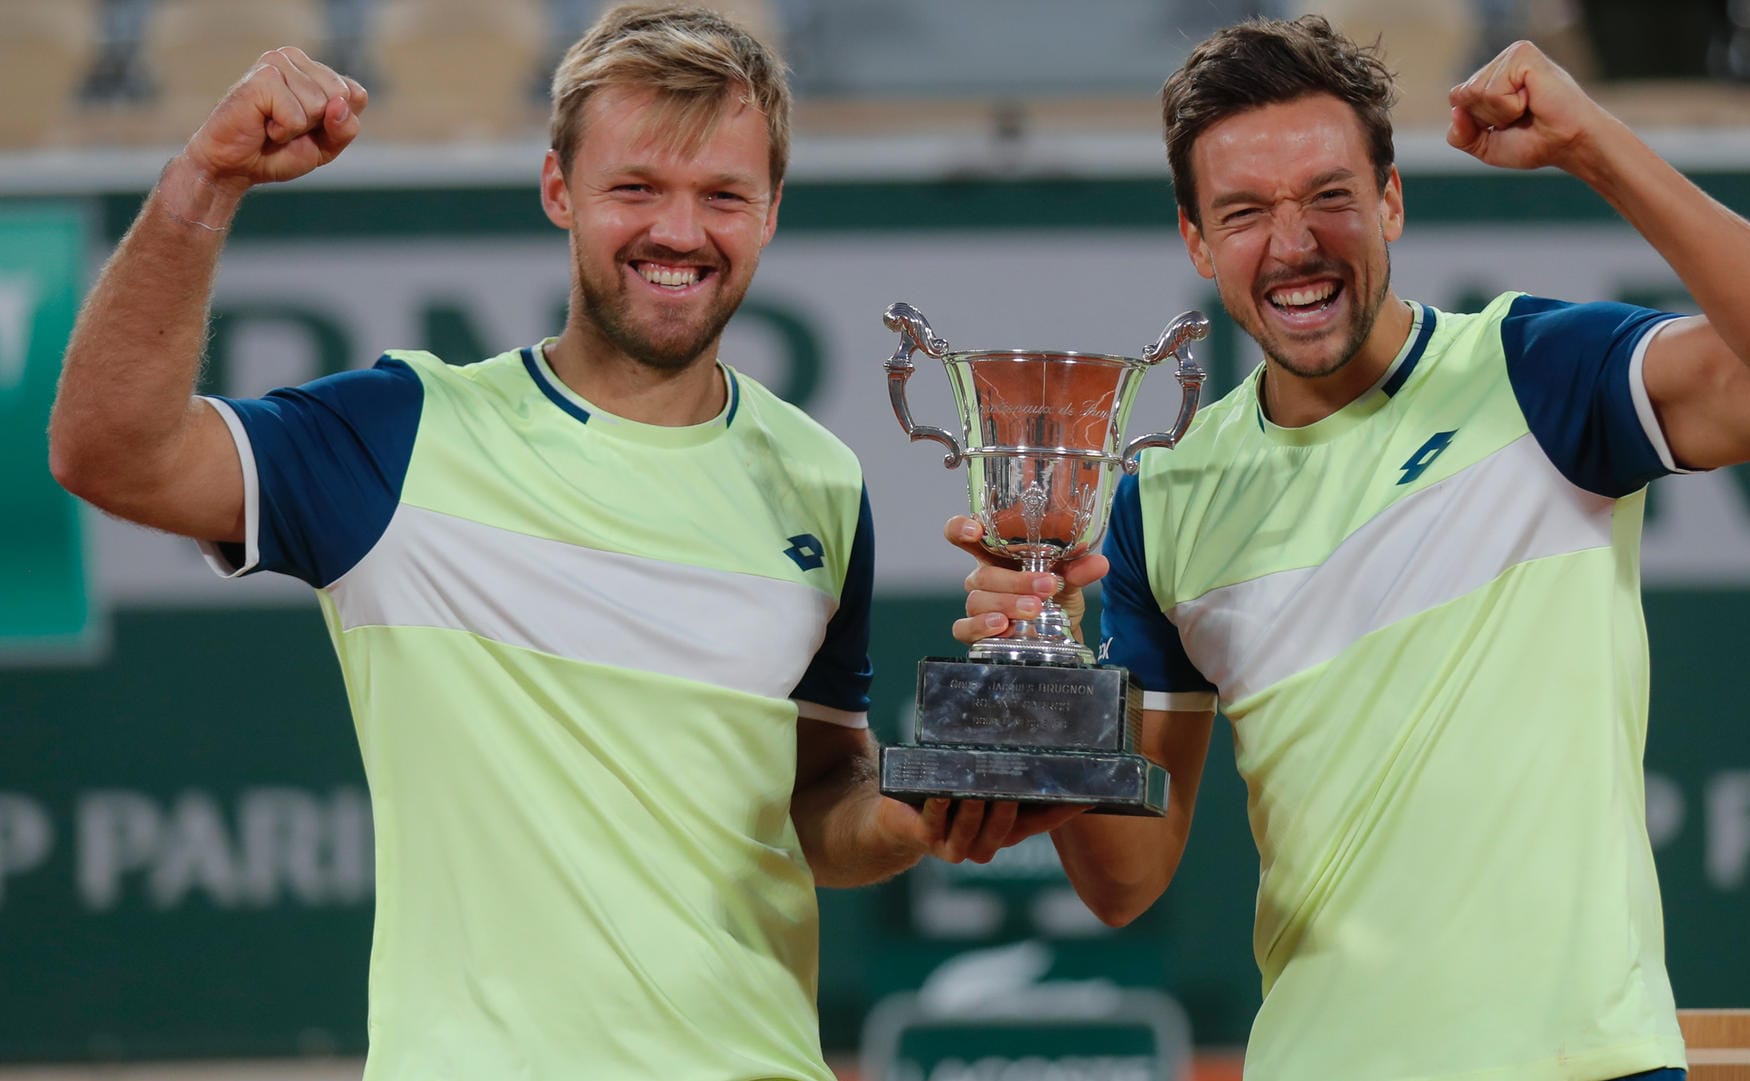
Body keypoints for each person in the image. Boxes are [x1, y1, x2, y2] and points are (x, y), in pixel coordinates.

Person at [48, 6, 1076, 1079]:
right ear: (558, 191)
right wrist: (201, 184)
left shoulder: (818, 479)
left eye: (722, 194)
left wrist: (917, 814)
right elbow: (108, 451)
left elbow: (817, 799)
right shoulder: (398, 433)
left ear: (770, 211)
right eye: (636, 188)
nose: (679, 232)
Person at [952, 16, 1750, 1081]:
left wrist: (1593, 145)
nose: (1293, 243)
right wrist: (1045, 677)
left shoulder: (1538, 372)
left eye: (1329, 197)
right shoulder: (1162, 497)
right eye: (1245, 212)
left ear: (1391, 200)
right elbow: (1128, 881)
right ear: (1198, 242)